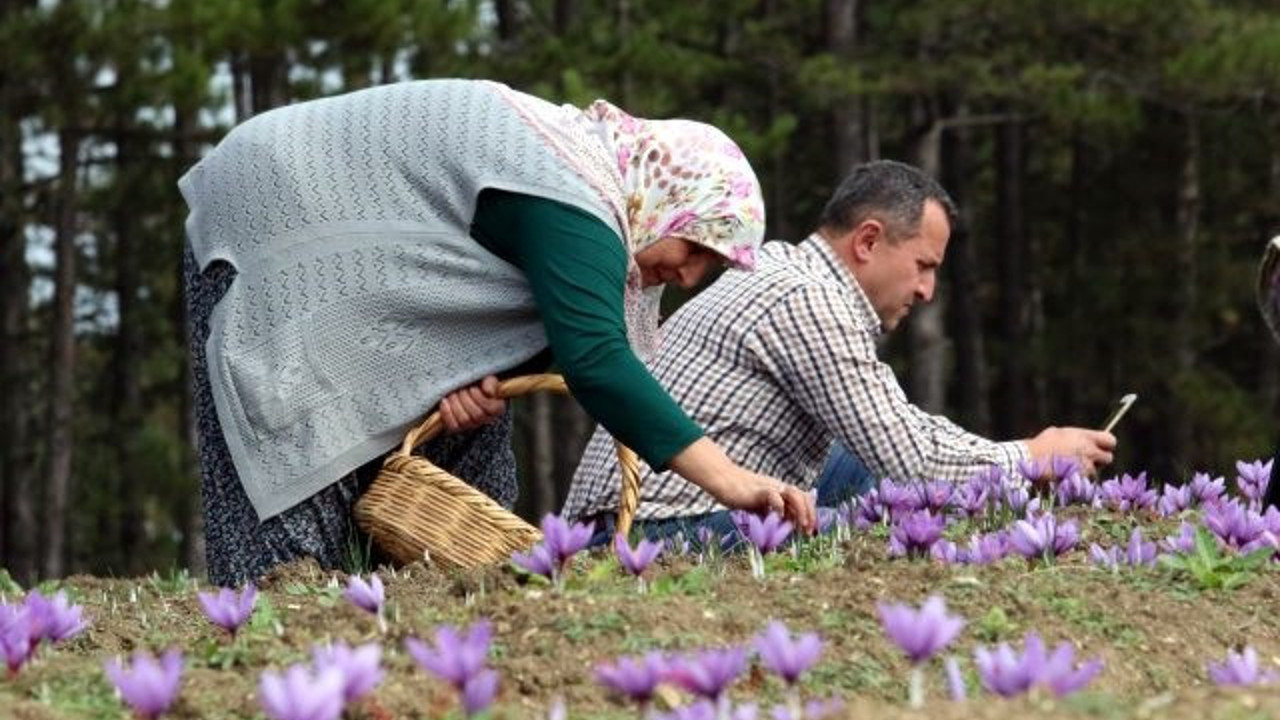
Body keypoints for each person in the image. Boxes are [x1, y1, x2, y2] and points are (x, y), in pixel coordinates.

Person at [180, 78, 815, 586]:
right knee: (292, 518)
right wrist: (732, 481)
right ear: (669, 199)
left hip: (341, 254)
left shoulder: (583, 186)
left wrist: (468, 387)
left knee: (435, 495)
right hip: (276, 211)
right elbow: (596, 360)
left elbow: (511, 318)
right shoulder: (578, 194)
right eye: (700, 250)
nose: (687, 276)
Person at [560, 159, 1117, 541]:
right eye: (924, 266)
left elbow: (897, 429)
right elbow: (913, 459)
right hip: (653, 526)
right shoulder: (809, 300)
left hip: (629, 513)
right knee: (883, 528)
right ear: (869, 241)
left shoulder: (787, 270)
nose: (927, 291)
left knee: (864, 465)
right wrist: (1027, 457)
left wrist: (1014, 456)